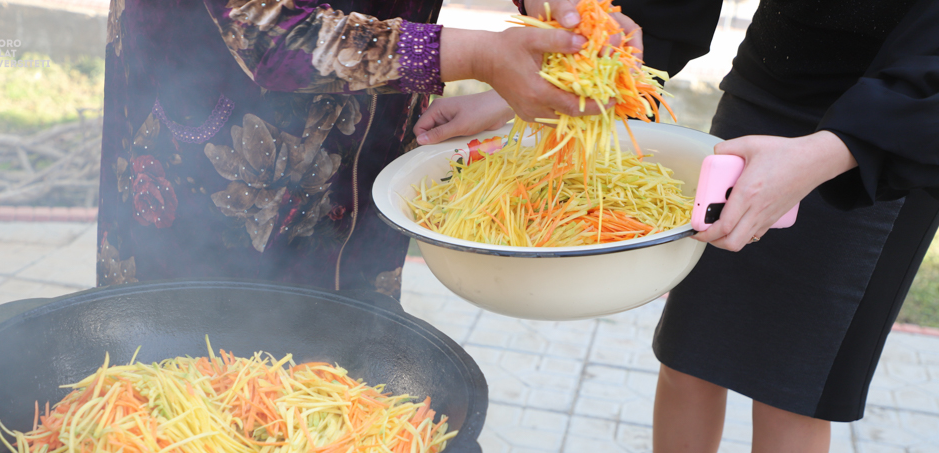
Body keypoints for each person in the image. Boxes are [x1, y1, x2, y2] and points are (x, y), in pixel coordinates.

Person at [414, 1, 939, 453]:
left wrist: (826, 153)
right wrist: (517, 94)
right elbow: (657, 14)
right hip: (770, 91)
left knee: (795, 395)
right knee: (690, 356)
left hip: (893, 132)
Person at [95, 0, 618, 298]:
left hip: (371, 126)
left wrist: (572, 15)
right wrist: (479, 55)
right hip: (217, 119)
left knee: (347, 378)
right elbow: (269, 28)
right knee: (186, 365)